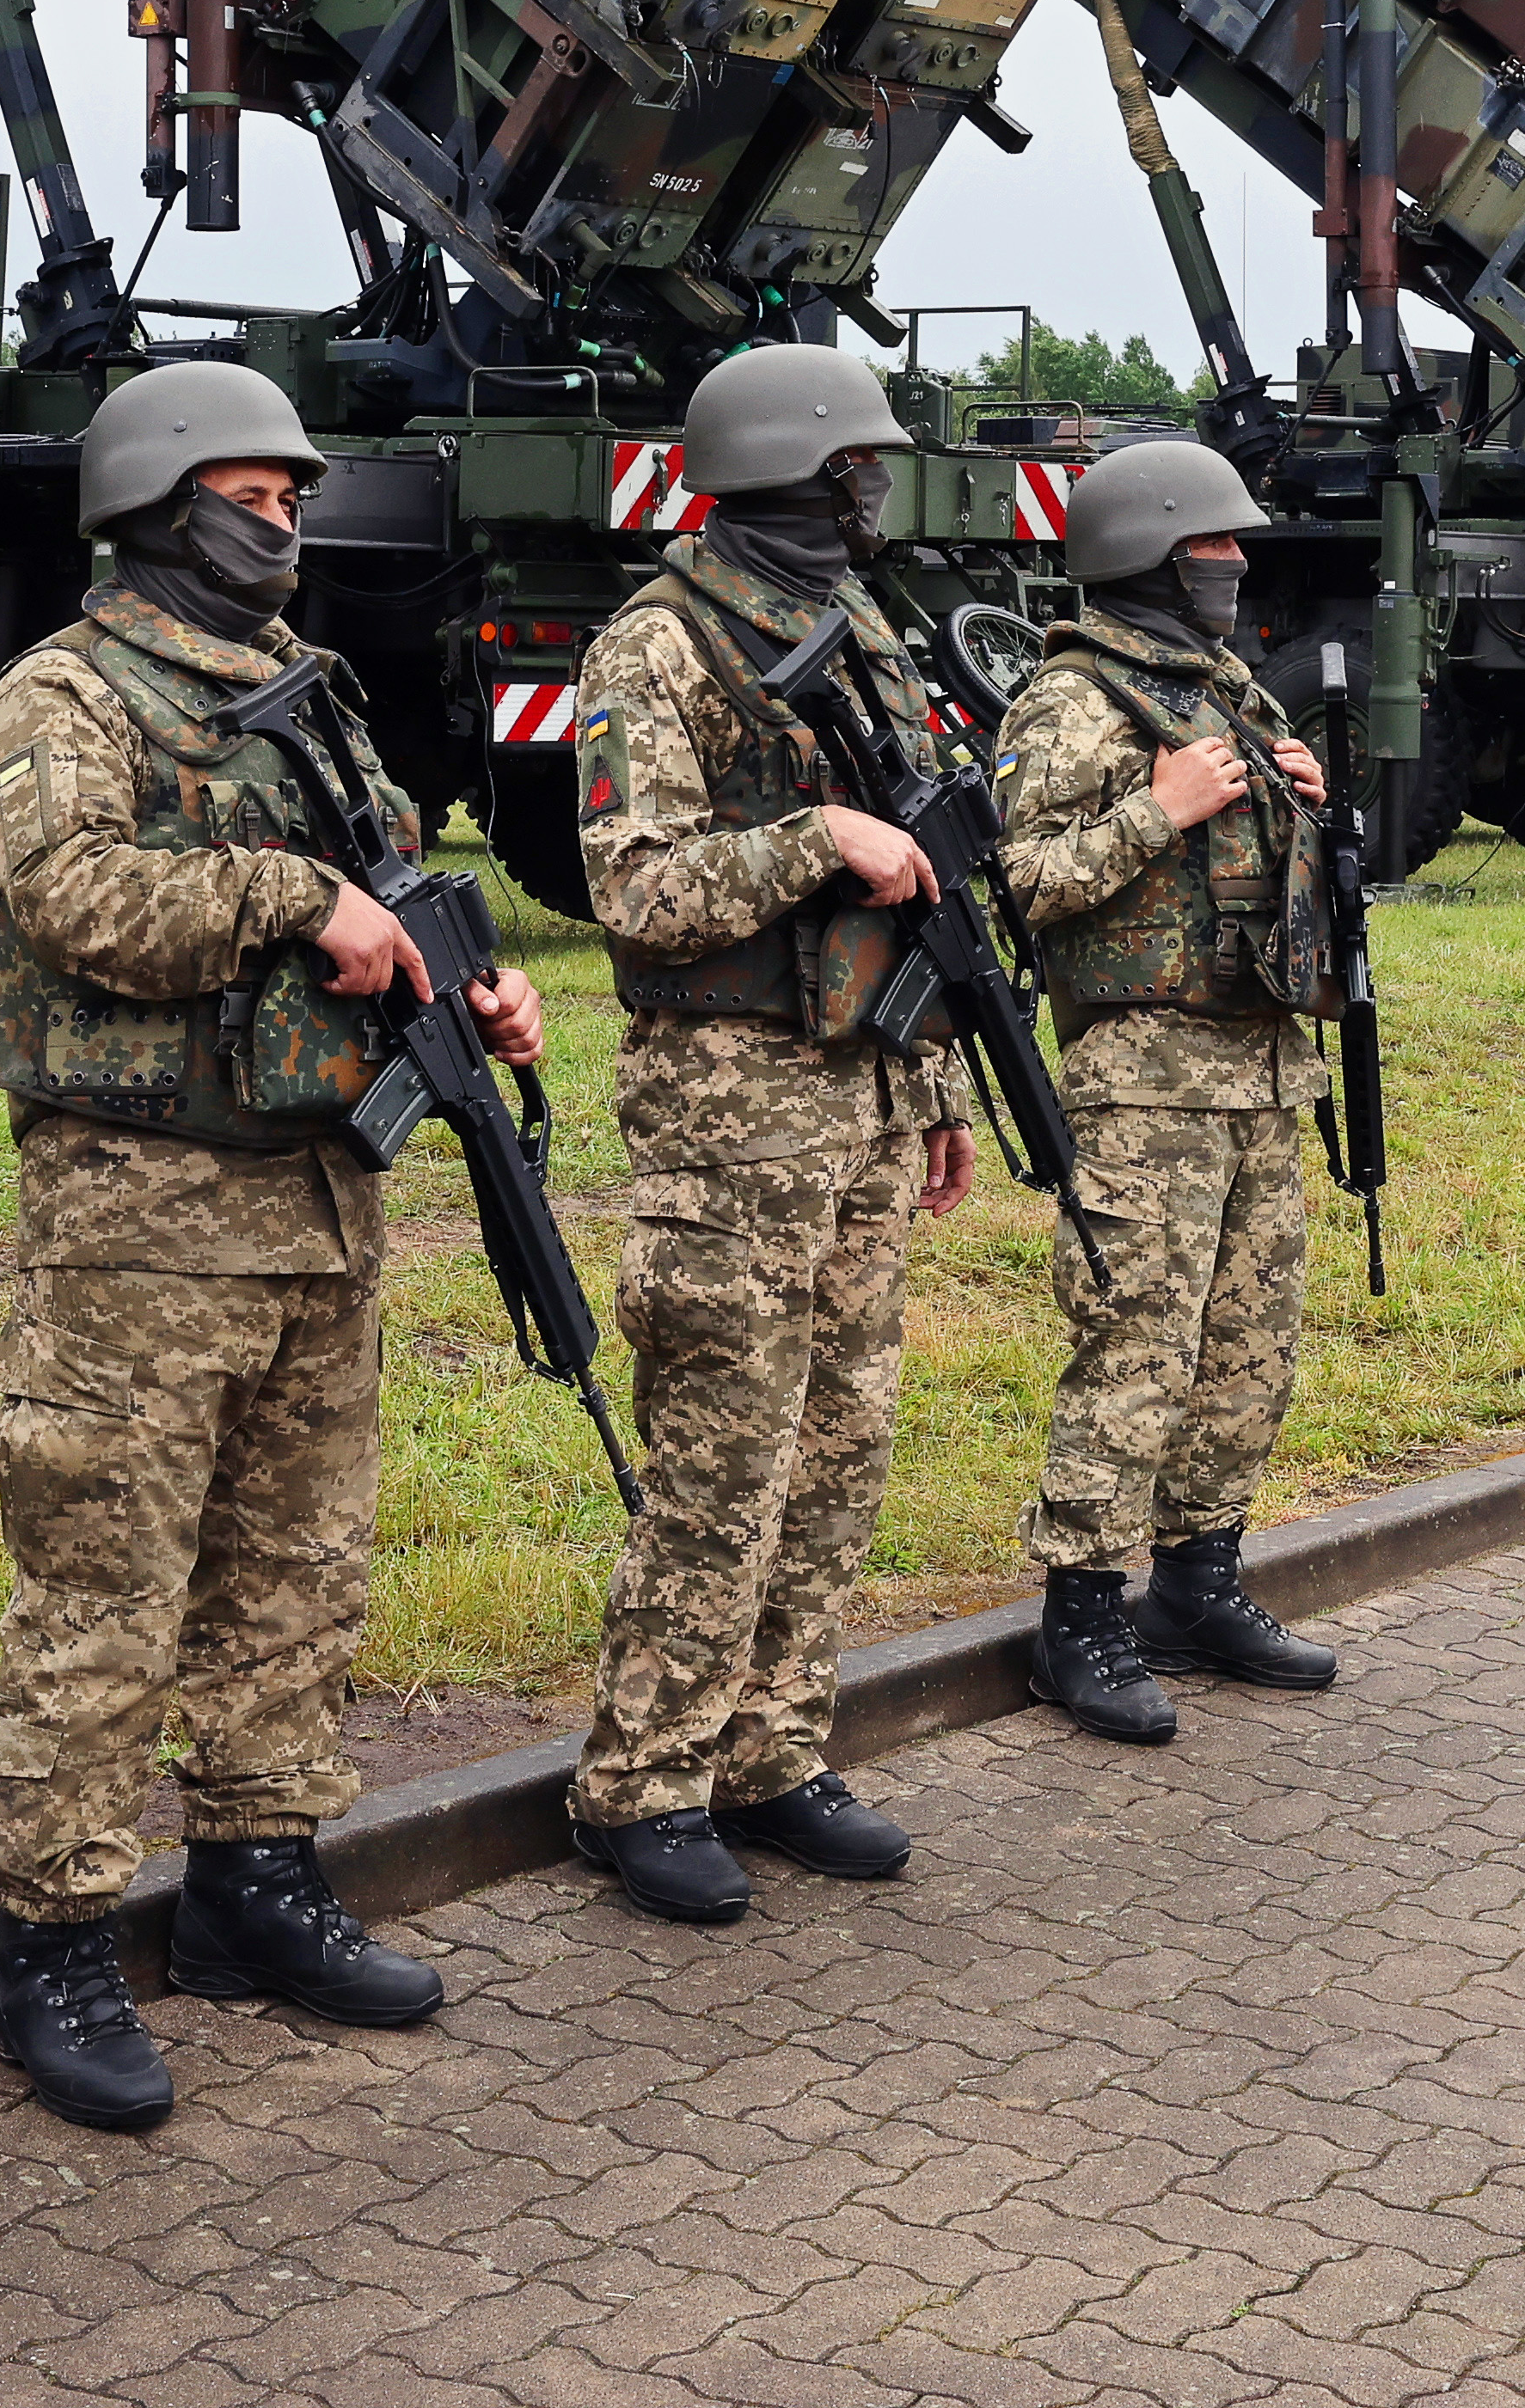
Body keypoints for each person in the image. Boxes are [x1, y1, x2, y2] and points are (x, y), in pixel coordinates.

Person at [0, 362, 545, 2132]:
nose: (280, 523)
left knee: (295, 1567)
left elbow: (394, 877)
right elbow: (75, 902)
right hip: (144, 1227)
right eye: (248, 494)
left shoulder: (312, 696)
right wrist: (299, 899)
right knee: (105, 1589)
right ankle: (52, 1941)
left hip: (315, 1206)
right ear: (150, 499)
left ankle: (255, 1876)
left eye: (293, 498)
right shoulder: (63, 697)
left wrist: (476, 976)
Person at [563, 341, 973, 1925]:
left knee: (838, 1449)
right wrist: (813, 838)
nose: (874, 489)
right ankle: (642, 1784)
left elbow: (917, 889)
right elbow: (639, 889)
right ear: (791, 472)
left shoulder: (850, 626)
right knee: (722, 1459)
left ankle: (773, 1748)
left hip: (863, 1096)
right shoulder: (652, 649)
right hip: (731, 1121)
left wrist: (930, 1093)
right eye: (855, 466)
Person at [989, 438, 1343, 1746]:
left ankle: (1198, 1589)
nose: (1236, 566)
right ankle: (1079, 1619)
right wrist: (1161, 809)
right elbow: (1021, 882)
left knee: (1250, 1351)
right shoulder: (1070, 702)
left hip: (1257, 1072)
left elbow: (1268, 867)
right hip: (1140, 1084)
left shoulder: (1226, 686)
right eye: (1214, 546)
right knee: (1135, 1352)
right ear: (1149, 553)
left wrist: (1302, 795)